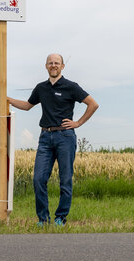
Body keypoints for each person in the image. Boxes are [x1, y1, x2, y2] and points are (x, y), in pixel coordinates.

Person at [7, 53, 99, 226]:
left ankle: (60, 217)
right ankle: (43, 219)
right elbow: (27, 106)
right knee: (38, 179)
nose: (53, 65)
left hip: (65, 137)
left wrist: (78, 123)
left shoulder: (71, 86)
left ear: (62, 66)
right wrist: (8, 100)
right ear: (46, 66)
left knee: (65, 179)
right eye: (50, 63)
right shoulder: (41, 88)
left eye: (57, 63)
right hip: (45, 138)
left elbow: (93, 104)